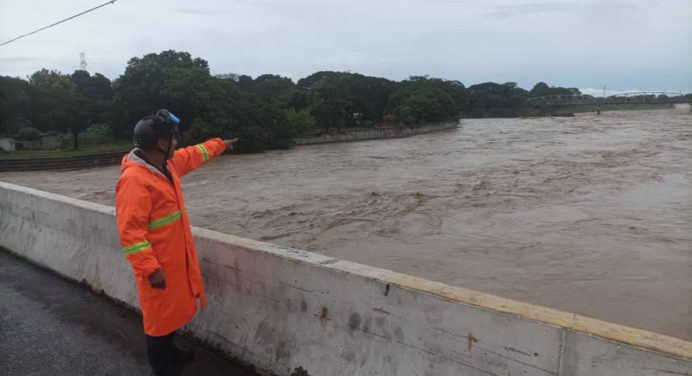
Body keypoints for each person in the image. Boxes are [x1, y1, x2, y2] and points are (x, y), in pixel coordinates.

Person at [115, 109, 238, 376]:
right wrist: (150, 269)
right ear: (160, 143)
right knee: (158, 323)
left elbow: (193, 155)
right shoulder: (135, 180)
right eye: (172, 139)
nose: (176, 143)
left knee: (171, 315)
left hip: (173, 262)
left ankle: (172, 355)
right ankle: (162, 368)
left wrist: (219, 145)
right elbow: (130, 233)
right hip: (158, 268)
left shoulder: (164, 166)